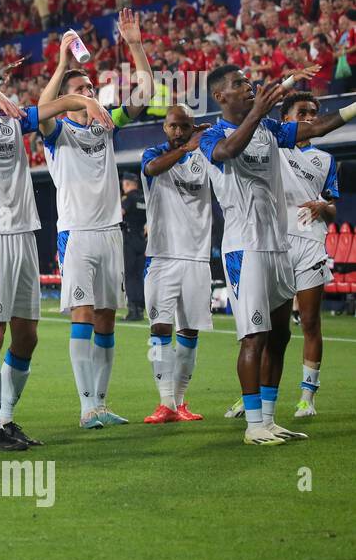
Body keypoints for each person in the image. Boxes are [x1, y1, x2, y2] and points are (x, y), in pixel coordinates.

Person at [0, 61, 106, 451]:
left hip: (24, 235)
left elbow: (55, 107)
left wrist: (82, 99)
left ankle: (7, 418)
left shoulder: (12, 121)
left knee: (27, 336)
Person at [199, 64, 351, 445]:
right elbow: (227, 151)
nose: (247, 86)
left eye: (248, 82)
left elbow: (317, 128)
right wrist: (258, 112)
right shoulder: (212, 134)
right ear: (221, 96)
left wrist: (352, 108)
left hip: (279, 245)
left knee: (280, 335)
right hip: (243, 248)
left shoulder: (269, 129)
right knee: (254, 337)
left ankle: (268, 420)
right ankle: (252, 426)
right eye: (239, 84)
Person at [37, 11, 155, 428]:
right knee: (83, 314)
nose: (89, 93)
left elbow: (144, 94)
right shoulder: (57, 132)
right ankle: (86, 406)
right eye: (81, 88)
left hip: (110, 232)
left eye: (91, 87)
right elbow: (41, 110)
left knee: (107, 317)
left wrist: (136, 47)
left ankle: (102, 403)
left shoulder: (106, 125)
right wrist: (62, 68)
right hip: (76, 233)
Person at [138, 104, 213, 423]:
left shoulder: (205, 157)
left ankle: (180, 402)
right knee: (159, 327)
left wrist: (214, 136)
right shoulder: (152, 154)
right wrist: (187, 147)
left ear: (192, 126)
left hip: (197, 257)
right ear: (165, 128)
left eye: (184, 126)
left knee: (189, 331)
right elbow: (153, 169)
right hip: (162, 256)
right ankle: (164, 401)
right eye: (173, 126)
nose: (178, 131)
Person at [277, 93, 338, 418]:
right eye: (303, 112)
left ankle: (307, 397)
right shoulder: (271, 146)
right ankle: (255, 392)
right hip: (272, 243)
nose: (310, 117)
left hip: (310, 243)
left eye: (315, 113)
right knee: (269, 328)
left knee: (310, 322)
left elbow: (332, 204)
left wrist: (323, 205)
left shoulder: (325, 159)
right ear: (286, 118)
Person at [120, 173, 147, 321]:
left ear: (128, 184)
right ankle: (141, 309)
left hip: (129, 241)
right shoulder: (144, 198)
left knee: (130, 276)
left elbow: (120, 214)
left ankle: (132, 310)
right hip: (142, 241)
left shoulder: (128, 198)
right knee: (140, 276)